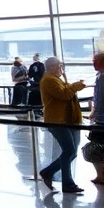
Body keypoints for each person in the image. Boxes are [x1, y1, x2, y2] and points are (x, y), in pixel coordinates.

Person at [39, 56, 86, 194]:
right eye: (60, 66)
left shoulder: (55, 79)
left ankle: (51, 173)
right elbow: (64, 94)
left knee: (71, 152)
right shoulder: (48, 80)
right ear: (53, 67)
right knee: (69, 151)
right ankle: (65, 182)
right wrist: (77, 85)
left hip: (66, 119)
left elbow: (65, 91)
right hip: (57, 121)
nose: (62, 69)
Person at [89, 52, 104, 185]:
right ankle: (100, 175)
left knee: (96, 146)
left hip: (102, 120)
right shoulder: (99, 76)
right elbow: (97, 98)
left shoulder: (102, 77)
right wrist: (94, 111)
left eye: (96, 61)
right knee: (95, 147)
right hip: (99, 118)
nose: (93, 63)